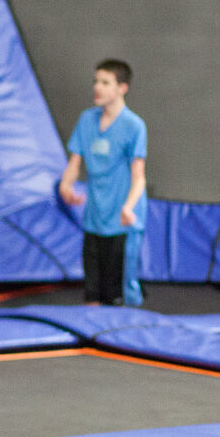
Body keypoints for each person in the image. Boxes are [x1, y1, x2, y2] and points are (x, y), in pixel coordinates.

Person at [58, 58, 148, 306]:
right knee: (92, 292)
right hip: (94, 216)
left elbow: (139, 178)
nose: (98, 87)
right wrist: (66, 186)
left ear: (122, 88)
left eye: (106, 82)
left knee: (116, 293)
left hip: (121, 220)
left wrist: (129, 207)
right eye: (96, 81)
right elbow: (74, 164)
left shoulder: (134, 126)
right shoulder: (87, 120)